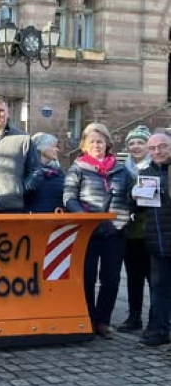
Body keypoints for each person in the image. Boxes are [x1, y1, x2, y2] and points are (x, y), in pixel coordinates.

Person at [63, 122, 131, 340]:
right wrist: (84, 217)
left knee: (111, 279)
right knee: (87, 277)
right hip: (88, 232)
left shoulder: (121, 170)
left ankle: (103, 321)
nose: (97, 145)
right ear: (84, 145)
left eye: (100, 141)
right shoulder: (77, 168)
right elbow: (69, 198)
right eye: (92, 141)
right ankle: (87, 319)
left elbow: (131, 196)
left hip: (115, 231)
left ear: (107, 144)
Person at [136, 131, 171, 347]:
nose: (157, 151)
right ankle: (158, 330)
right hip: (157, 242)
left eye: (162, 146)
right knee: (158, 289)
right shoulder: (146, 173)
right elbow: (138, 207)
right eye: (153, 148)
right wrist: (134, 195)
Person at [120, 125, 152, 333]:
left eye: (140, 142)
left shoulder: (154, 168)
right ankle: (134, 317)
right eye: (132, 143)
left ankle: (156, 320)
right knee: (133, 277)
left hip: (150, 231)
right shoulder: (124, 169)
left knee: (154, 279)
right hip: (129, 231)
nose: (136, 146)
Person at [25, 133, 65, 213]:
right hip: (35, 220)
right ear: (41, 148)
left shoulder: (59, 172)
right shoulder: (28, 171)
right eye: (53, 146)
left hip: (56, 220)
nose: (57, 150)